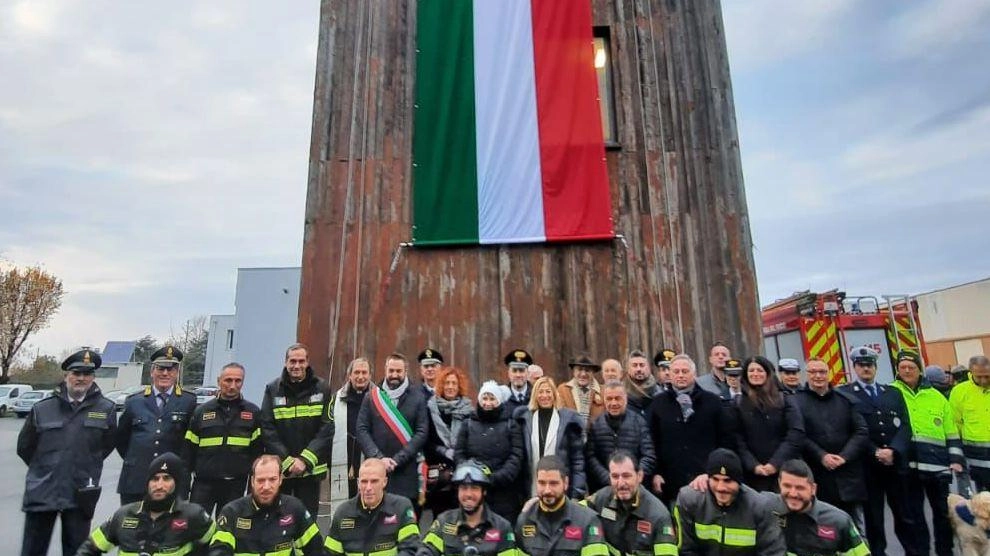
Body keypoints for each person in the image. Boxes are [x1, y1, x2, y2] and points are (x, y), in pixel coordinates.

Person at [18, 349, 117, 556]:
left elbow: (106, 446)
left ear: (93, 377)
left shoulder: (106, 409)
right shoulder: (42, 408)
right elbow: (25, 447)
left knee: (77, 551)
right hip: (42, 490)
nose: (81, 378)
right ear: (66, 376)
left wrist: (83, 465)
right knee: (32, 550)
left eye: (86, 374)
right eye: (76, 373)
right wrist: (45, 467)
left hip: (80, 493)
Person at [837, 345, 916, 556]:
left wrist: (894, 451)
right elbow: (850, 430)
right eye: (861, 365)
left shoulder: (893, 393)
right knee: (874, 519)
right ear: (854, 367)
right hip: (868, 468)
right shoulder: (845, 394)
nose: (866, 369)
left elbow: (906, 426)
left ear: (875, 367)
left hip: (895, 465)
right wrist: (874, 452)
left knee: (905, 516)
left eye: (870, 365)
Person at [890, 349, 962, 556]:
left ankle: (944, 552)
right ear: (897, 370)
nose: (906, 371)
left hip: (938, 467)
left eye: (911, 367)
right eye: (902, 367)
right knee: (913, 516)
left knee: (943, 515)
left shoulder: (936, 397)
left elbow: (951, 431)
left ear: (919, 370)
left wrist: (956, 459)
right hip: (907, 468)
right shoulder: (891, 393)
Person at [76, 453, 215, 556]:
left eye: (166, 479)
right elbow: (89, 549)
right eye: (155, 479)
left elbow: (218, 548)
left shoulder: (193, 516)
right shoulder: (123, 515)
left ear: (176, 483)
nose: (159, 485)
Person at [259, 342, 335, 517]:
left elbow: (327, 428)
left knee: (307, 519)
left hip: (311, 470)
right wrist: (287, 461)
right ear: (286, 362)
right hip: (282, 471)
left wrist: (304, 460)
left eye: (301, 361)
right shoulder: (272, 389)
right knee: (279, 517)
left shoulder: (322, 388)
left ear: (307, 362)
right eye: (293, 361)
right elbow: (267, 428)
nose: (297, 366)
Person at [117, 345, 197, 504]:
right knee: (132, 526)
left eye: (171, 369)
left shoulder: (189, 401)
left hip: (172, 480)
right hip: (137, 479)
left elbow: (191, 443)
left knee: (169, 527)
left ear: (177, 373)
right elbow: (121, 439)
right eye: (161, 369)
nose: (165, 373)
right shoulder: (134, 401)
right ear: (152, 371)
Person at [649, 354, 732, 504]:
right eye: (676, 371)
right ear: (670, 374)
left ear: (694, 374)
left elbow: (725, 441)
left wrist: (713, 473)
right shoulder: (658, 403)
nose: (680, 375)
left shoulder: (712, 402)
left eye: (685, 371)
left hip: (706, 482)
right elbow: (652, 441)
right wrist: (655, 473)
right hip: (670, 483)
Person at [183, 362, 262, 516]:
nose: (232, 385)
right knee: (196, 529)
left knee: (228, 531)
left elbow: (257, 454)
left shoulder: (253, 413)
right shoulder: (201, 412)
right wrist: (183, 487)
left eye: (238, 381)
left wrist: (253, 488)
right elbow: (187, 453)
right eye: (228, 380)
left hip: (235, 486)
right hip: (203, 484)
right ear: (219, 381)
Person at [673, 449, 785, 555]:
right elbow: (685, 550)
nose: (721, 487)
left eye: (728, 481)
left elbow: (773, 552)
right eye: (715, 479)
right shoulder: (689, 500)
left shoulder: (760, 507)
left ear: (739, 482)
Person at [795, 358, 868, 519]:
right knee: (824, 530)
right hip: (817, 475)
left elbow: (861, 431)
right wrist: (821, 455)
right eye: (813, 372)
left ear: (829, 374)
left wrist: (844, 457)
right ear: (806, 375)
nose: (818, 376)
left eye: (822, 372)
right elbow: (799, 435)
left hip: (848, 475)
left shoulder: (846, 400)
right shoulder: (795, 403)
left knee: (855, 530)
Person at [209, 455, 325, 556]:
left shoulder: (295, 509)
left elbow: (316, 550)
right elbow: (219, 551)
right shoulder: (231, 513)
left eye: (272, 479)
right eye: (260, 480)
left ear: (280, 480)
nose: (266, 487)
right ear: (252, 481)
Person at [356, 352, 430, 506]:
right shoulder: (372, 397)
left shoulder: (418, 396)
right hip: (378, 473)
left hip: (407, 472)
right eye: (391, 371)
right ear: (385, 370)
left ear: (405, 372)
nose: (394, 375)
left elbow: (422, 432)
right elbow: (362, 429)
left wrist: (398, 460)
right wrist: (379, 458)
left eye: (398, 371)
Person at [764, 459, 871, 556]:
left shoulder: (838, 521)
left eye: (800, 488)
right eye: (787, 486)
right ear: (779, 484)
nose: (793, 494)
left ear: (813, 489)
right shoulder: (764, 508)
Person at [583, 451, 677, 556]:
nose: (621, 483)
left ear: (639, 476)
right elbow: (575, 511)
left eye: (626, 476)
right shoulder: (601, 498)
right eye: (615, 476)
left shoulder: (659, 515)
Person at [454, 380, 523, 523]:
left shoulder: (511, 425)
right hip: (473, 489)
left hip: (504, 494)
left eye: (492, 399)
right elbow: (459, 453)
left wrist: (495, 478)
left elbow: (516, 457)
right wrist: (472, 474)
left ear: (499, 401)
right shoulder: (468, 424)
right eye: (484, 398)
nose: (488, 403)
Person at [733, 355, 805, 492]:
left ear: (767, 373)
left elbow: (795, 433)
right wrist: (753, 465)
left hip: (785, 471)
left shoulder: (785, 399)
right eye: (751, 370)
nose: (755, 374)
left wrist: (775, 464)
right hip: (752, 475)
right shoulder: (738, 403)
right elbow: (737, 438)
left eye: (759, 370)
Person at [324, 458, 421, 556]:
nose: (368, 488)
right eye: (364, 482)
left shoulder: (401, 507)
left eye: (374, 481)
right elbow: (330, 553)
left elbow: (411, 549)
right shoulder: (343, 513)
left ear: (384, 482)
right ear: (358, 483)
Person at [515, 455, 609, 556]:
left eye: (553, 483)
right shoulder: (524, 520)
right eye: (542, 483)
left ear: (565, 483)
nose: (547, 490)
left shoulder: (588, 521)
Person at [421, 462, 518, 556]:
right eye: (463, 488)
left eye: (474, 488)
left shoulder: (502, 527)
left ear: (484, 492)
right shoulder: (444, 522)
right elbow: (426, 551)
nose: (468, 494)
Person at [515, 376, 587, 498]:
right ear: (535, 395)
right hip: (532, 488)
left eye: (548, 391)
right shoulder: (525, 420)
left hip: (561, 487)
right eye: (540, 392)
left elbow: (577, 461)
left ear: (554, 394)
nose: (544, 396)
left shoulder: (568, 422)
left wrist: (577, 492)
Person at [585, 381, 656, 492]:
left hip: (635, 487)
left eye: (618, 398)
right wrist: (608, 478)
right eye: (609, 399)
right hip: (605, 488)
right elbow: (591, 456)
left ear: (626, 399)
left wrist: (634, 475)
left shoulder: (639, 422)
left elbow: (649, 455)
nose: (613, 403)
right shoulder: (596, 424)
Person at [424, 366, 475, 516]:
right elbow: (426, 441)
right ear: (441, 385)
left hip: (462, 472)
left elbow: (472, 441)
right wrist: (444, 451)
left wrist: (458, 454)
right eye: (447, 383)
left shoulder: (469, 411)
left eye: (454, 383)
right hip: (438, 475)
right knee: (440, 519)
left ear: (459, 386)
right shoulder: (430, 409)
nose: (450, 387)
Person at [330, 357, 375, 513]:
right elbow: (328, 428)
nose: (360, 376)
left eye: (364, 372)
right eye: (356, 372)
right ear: (349, 375)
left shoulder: (380, 398)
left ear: (370, 375)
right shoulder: (336, 399)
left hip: (371, 457)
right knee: (346, 508)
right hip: (345, 457)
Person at [949, 354, 990, 491]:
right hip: (975, 455)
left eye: (987, 376)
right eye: (979, 376)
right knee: (983, 500)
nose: (983, 380)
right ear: (970, 372)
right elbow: (955, 423)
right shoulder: (960, 392)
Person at [557, 354, 605, 430]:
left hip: (596, 438)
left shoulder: (603, 391)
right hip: (571, 437)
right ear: (574, 371)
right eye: (579, 369)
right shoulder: (563, 390)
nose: (583, 374)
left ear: (593, 372)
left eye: (587, 370)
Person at [624, 349, 661, 419]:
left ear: (649, 368)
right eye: (634, 365)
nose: (639, 369)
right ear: (628, 369)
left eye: (642, 365)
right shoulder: (621, 395)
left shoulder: (660, 395)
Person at [503, 349, 534, 416]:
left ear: (528, 373)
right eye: (514, 371)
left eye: (521, 371)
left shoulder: (535, 396)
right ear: (508, 373)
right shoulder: (502, 398)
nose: (518, 375)